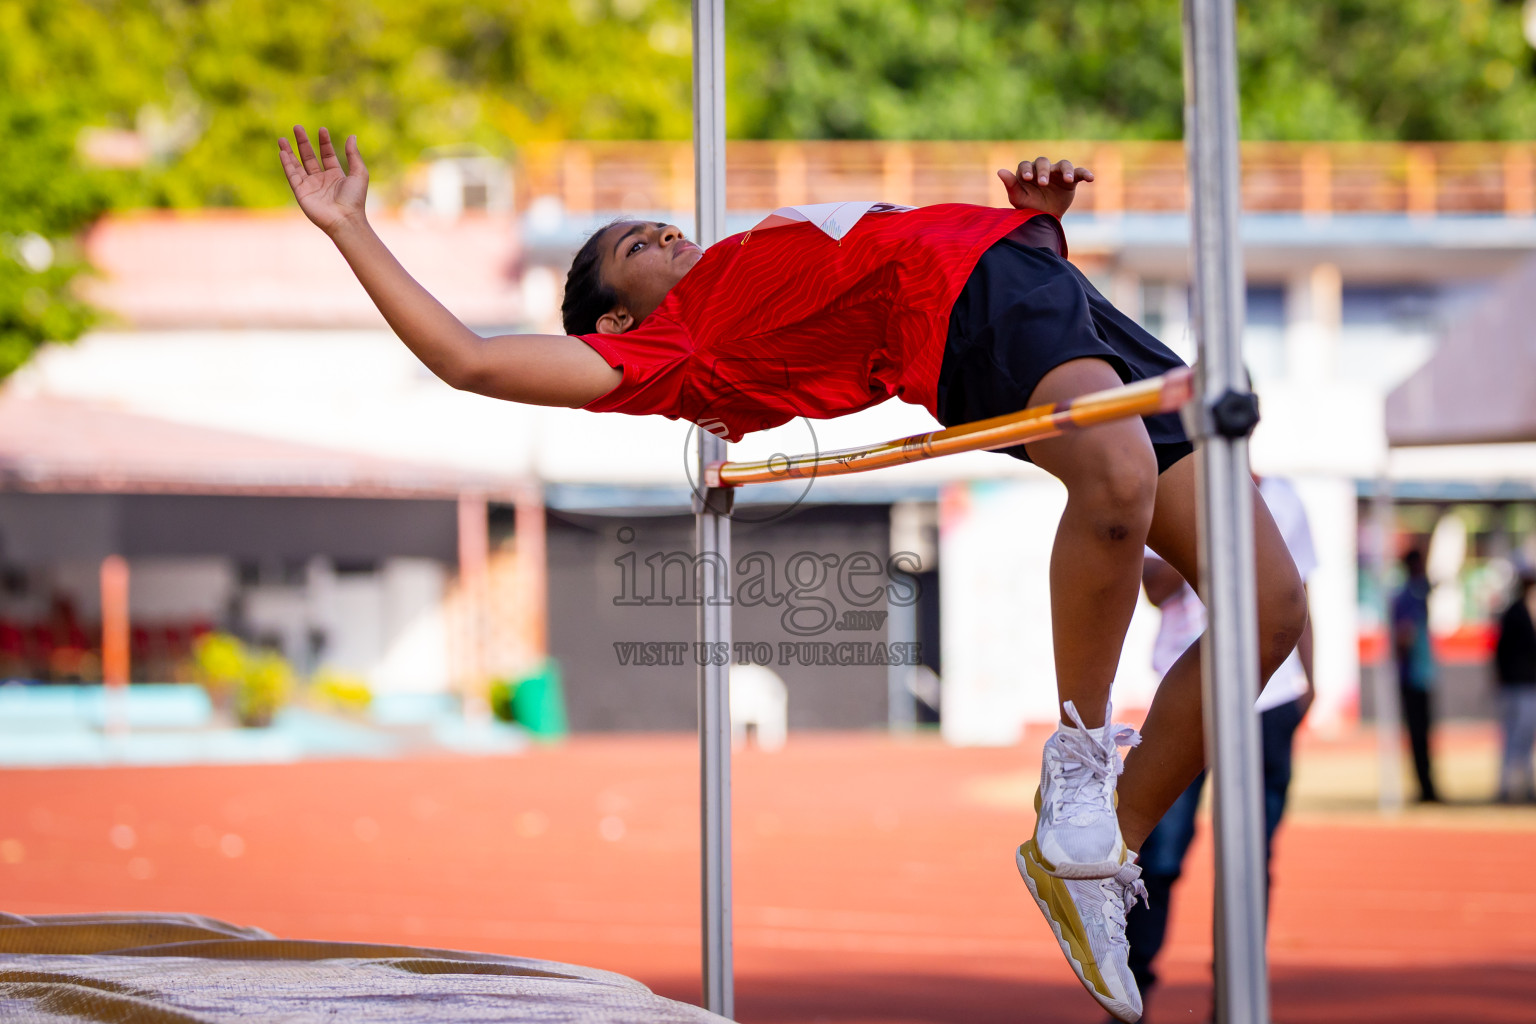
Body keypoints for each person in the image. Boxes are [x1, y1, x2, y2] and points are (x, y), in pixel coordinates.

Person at [277, 127, 1306, 1023]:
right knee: (1116, 471)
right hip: (970, 311)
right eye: (638, 245)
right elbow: (470, 357)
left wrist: (1032, 223)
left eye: (661, 223)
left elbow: (879, 246)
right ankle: (1080, 763)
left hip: (1038, 276)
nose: (668, 233)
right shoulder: (667, 355)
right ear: (617, 326)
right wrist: (350, 227)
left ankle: (1097, 847)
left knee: (1270, 605)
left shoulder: (748, 255)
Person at [1122, 474, 1317, 1019]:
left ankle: (1235, 997)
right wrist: (1209, 531)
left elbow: (1298, 590)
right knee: (1157, 854)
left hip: (1269, 700)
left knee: (1252, 859)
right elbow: (1155, 587)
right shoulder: (1168, 486)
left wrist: (1310, 676)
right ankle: (1131, 991)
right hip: (1191, 702)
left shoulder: (1283, 496)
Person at [1392, 549, 1439, 803]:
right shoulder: (1411, 595)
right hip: (1414, 676)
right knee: (1420, 735)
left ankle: (1427, 786)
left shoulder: (1412, 593)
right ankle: (1426, 788)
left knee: (1421, 735)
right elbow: (1404, 633)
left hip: (1417, 674)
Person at [1493, 571, 1536, 803]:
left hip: (1522, 684)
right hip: (1520, 685)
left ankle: (1521, 785)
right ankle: (1509, 786)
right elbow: (1502, 649)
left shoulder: (1520, 612)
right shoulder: (1517, 613)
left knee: (1523, 738)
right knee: (1516, 737)